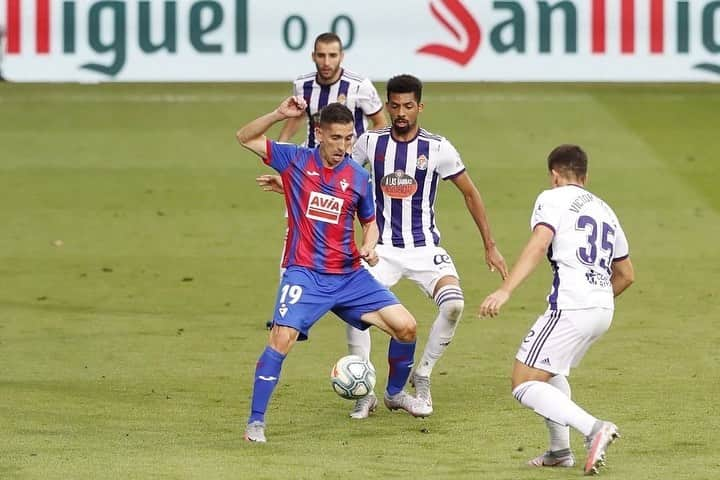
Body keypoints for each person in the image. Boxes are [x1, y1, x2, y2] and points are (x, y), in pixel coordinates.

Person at [258, 74, 508, 419]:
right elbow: (337, 174)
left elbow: (470, 192)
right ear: (386, 106)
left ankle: (421, 376)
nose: (401, 112)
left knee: (453, 306)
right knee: (355, 313)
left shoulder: (438, 148)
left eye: (408, 106)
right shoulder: (370, 142)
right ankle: (364, 392)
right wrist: (289, 185)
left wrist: (490, 245)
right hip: (381, 248)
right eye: (394, 105)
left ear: (419, 107)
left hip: (424, 247)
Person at [237, 97, 431, 443]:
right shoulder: (294, 159)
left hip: (349, 276)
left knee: (407, 327)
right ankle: (255, 423)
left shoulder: (358, 177)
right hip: (306, 274)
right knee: (281, 339)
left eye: (349, 138)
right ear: (319, 134)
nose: (343, 146)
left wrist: (369, 244)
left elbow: (370, 224)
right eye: (336, 138)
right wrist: (280, 114)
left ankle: (394, 393)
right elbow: (245, 137)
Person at [479, 144, 635, 475]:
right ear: (585, 176)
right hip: (602, 307)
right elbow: (627, 275)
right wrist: (597, 298)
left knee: (523, 382)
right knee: (551, 371)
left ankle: (595, 428)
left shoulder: (552, 198)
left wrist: (506, 290)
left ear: (554, 174)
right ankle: (559, 451)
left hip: (572, 305)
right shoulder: (605, 209)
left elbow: (539, 244)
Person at [263, 31, 388, 329]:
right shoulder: (303, 85)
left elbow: (380, 123)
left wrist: (359, 159)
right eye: (321, 55)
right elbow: (296, 118)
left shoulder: (359, 86)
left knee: (345, 243)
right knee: (293, 240)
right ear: (313, 56)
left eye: (332, 55)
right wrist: (284, 159)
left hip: (347, 178)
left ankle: (349, 299)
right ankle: (288, 310)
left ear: (341, 56)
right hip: (309, 174)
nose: (326, 61)